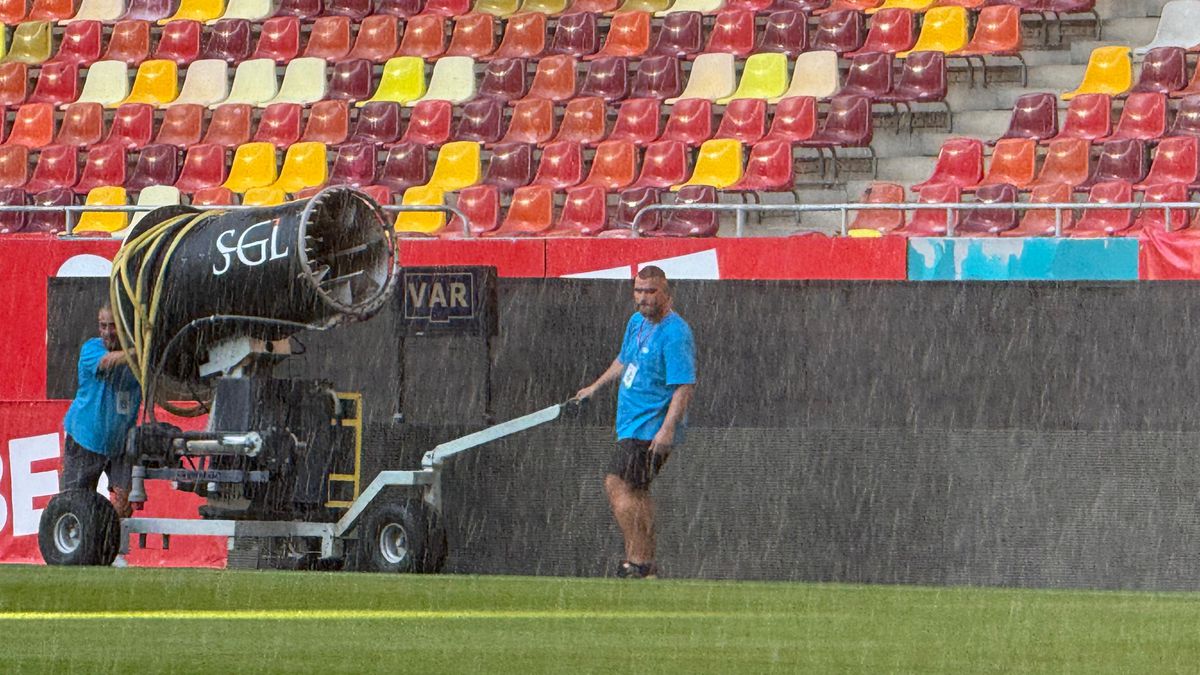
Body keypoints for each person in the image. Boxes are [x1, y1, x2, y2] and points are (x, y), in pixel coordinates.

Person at [575, 266, 696, 579]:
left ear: (666, 293)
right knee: (636, 490)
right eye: (639, 291)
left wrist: (668, 428)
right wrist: (595, 386)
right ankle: (645, 565)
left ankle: (639, 559)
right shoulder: (636, 323)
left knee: (619, 483)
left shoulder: (675, 333)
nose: (643, 298)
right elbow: (623, 360)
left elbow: (684, 384)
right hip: (630, 423)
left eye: (651, 291)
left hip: (649, 426)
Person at [60, 303, 142, 519]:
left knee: (124, 504)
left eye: (113, 326)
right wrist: (141, 350)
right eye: (102, 326)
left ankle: (112, 547)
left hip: (119, 444)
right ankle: (81, 545)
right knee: (74, 505)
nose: (107, 332)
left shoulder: (138, 360)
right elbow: (107, 362)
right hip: (85, 441)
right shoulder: (92, 349)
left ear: (125, 326)